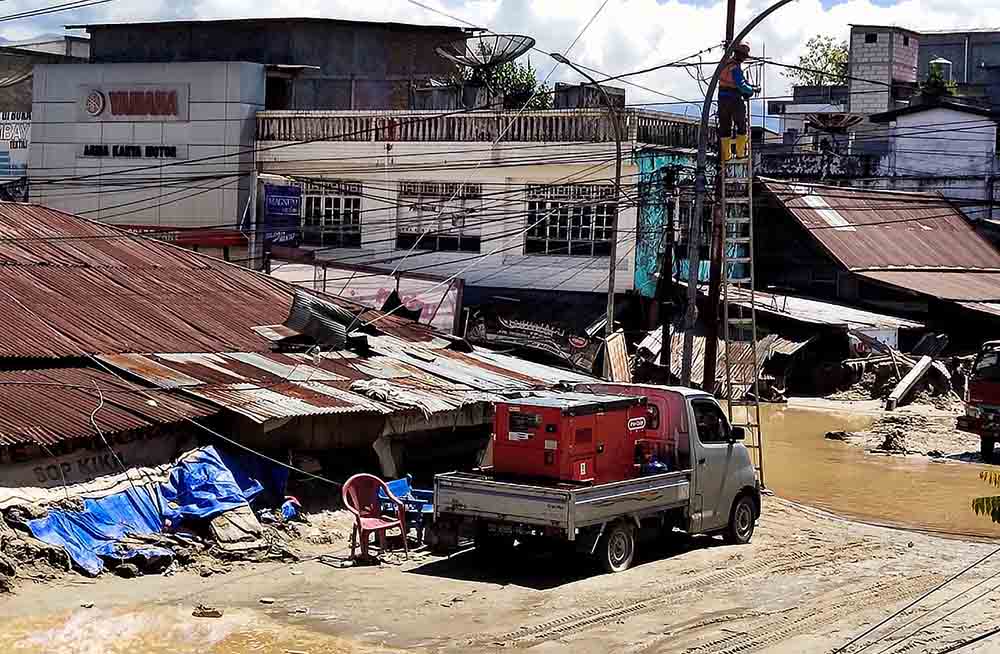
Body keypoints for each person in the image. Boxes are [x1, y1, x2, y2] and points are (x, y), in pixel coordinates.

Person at [718, 42, 757, 161]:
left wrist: (749, 86)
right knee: (741, 125)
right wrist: (751, 90)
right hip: (733, 99)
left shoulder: (725, 64)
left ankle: (726, 155)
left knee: (725, 128)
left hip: (722, 100)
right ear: (740, 55)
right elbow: (740, 84)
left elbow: (740, 81)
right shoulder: (734, 67)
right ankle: (740, 152)